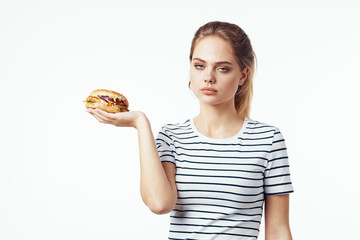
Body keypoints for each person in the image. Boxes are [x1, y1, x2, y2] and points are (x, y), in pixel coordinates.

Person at [86, 21, 294, 240]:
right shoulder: (172, 137)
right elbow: (159, 204)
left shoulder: (268, 140)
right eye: (199, 65)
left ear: (243, 75)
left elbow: (278, 231)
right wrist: (140, 123)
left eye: (222, 68)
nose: (209, 77)